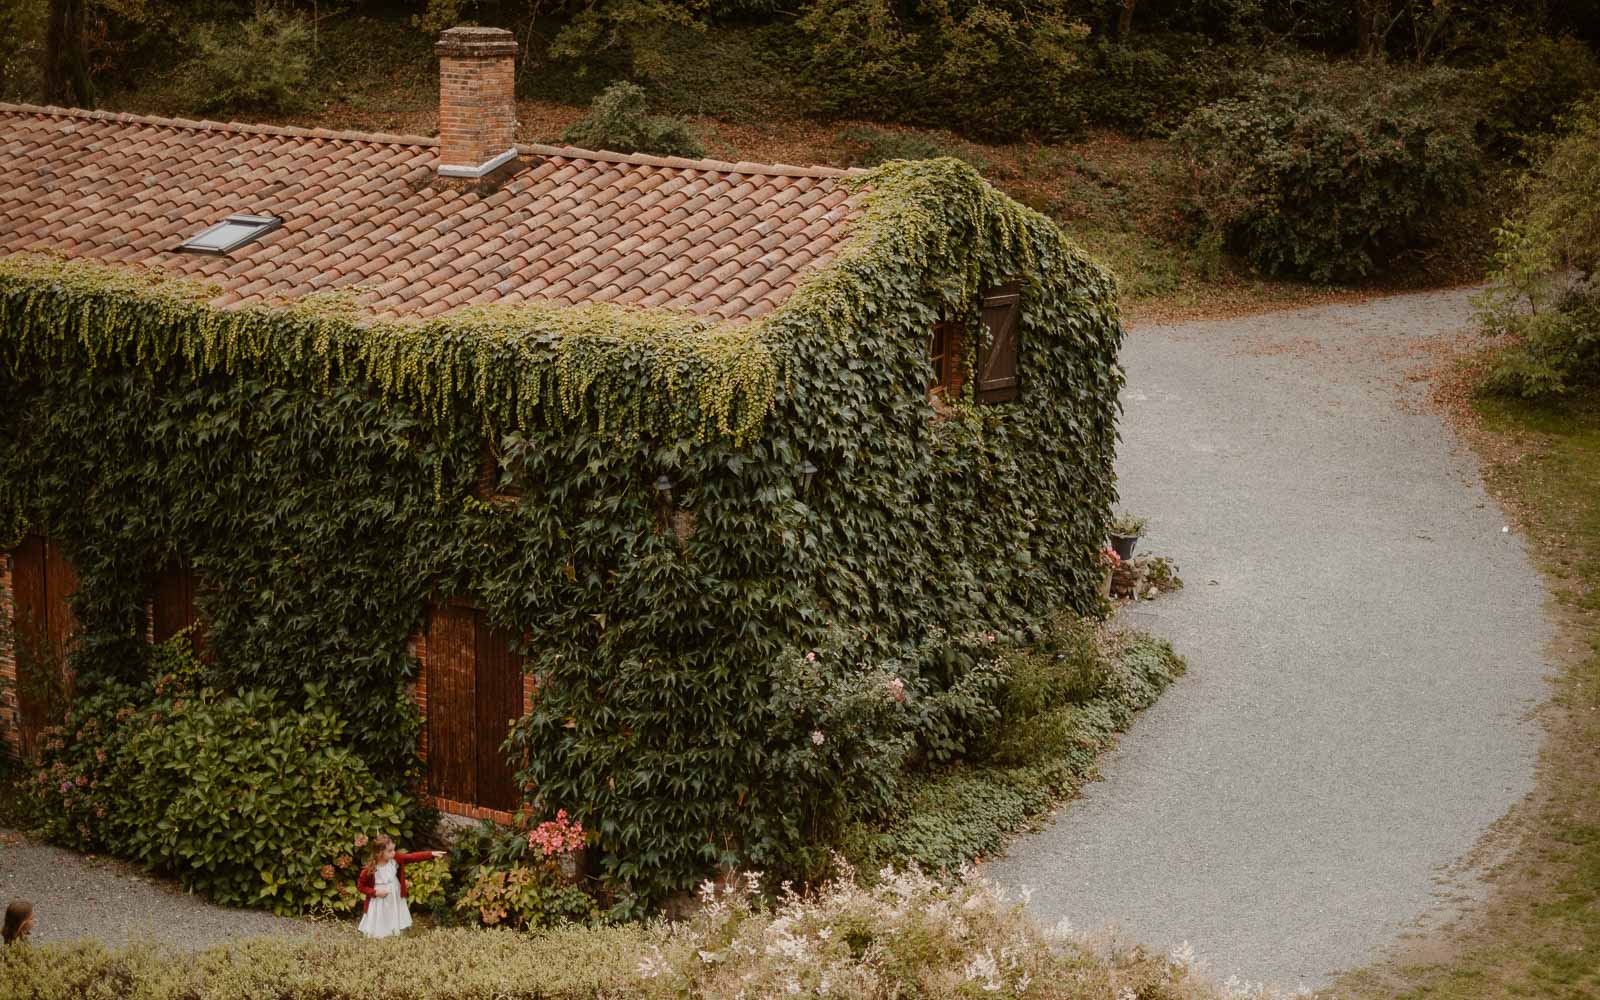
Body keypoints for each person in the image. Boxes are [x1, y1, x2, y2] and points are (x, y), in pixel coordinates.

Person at [355, 836, 445, 939]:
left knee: (394, 911)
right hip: (379, 897)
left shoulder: (395, 860)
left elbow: (411, 857)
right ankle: (380, 933)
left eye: (394, 849)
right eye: (390, 851)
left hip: (395, 894)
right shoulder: (369, 870)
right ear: (380, 853)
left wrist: (431, 854)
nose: (393, 852)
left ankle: (395, 931)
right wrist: (375, 892)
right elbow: (360, 887)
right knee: (381, 914)